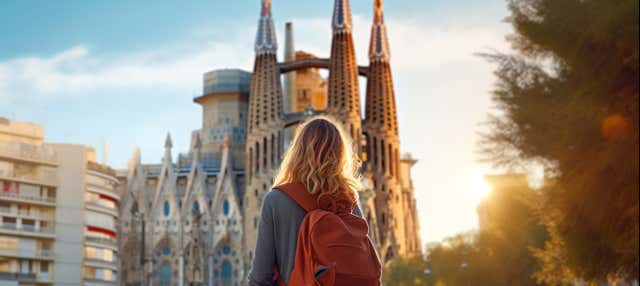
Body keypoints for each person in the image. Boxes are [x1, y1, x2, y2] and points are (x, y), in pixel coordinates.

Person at [248, 116, 380, 286]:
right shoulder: (348, 200)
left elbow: (260, 277)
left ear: (297, 152)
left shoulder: (276, 200)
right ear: (340, 156)